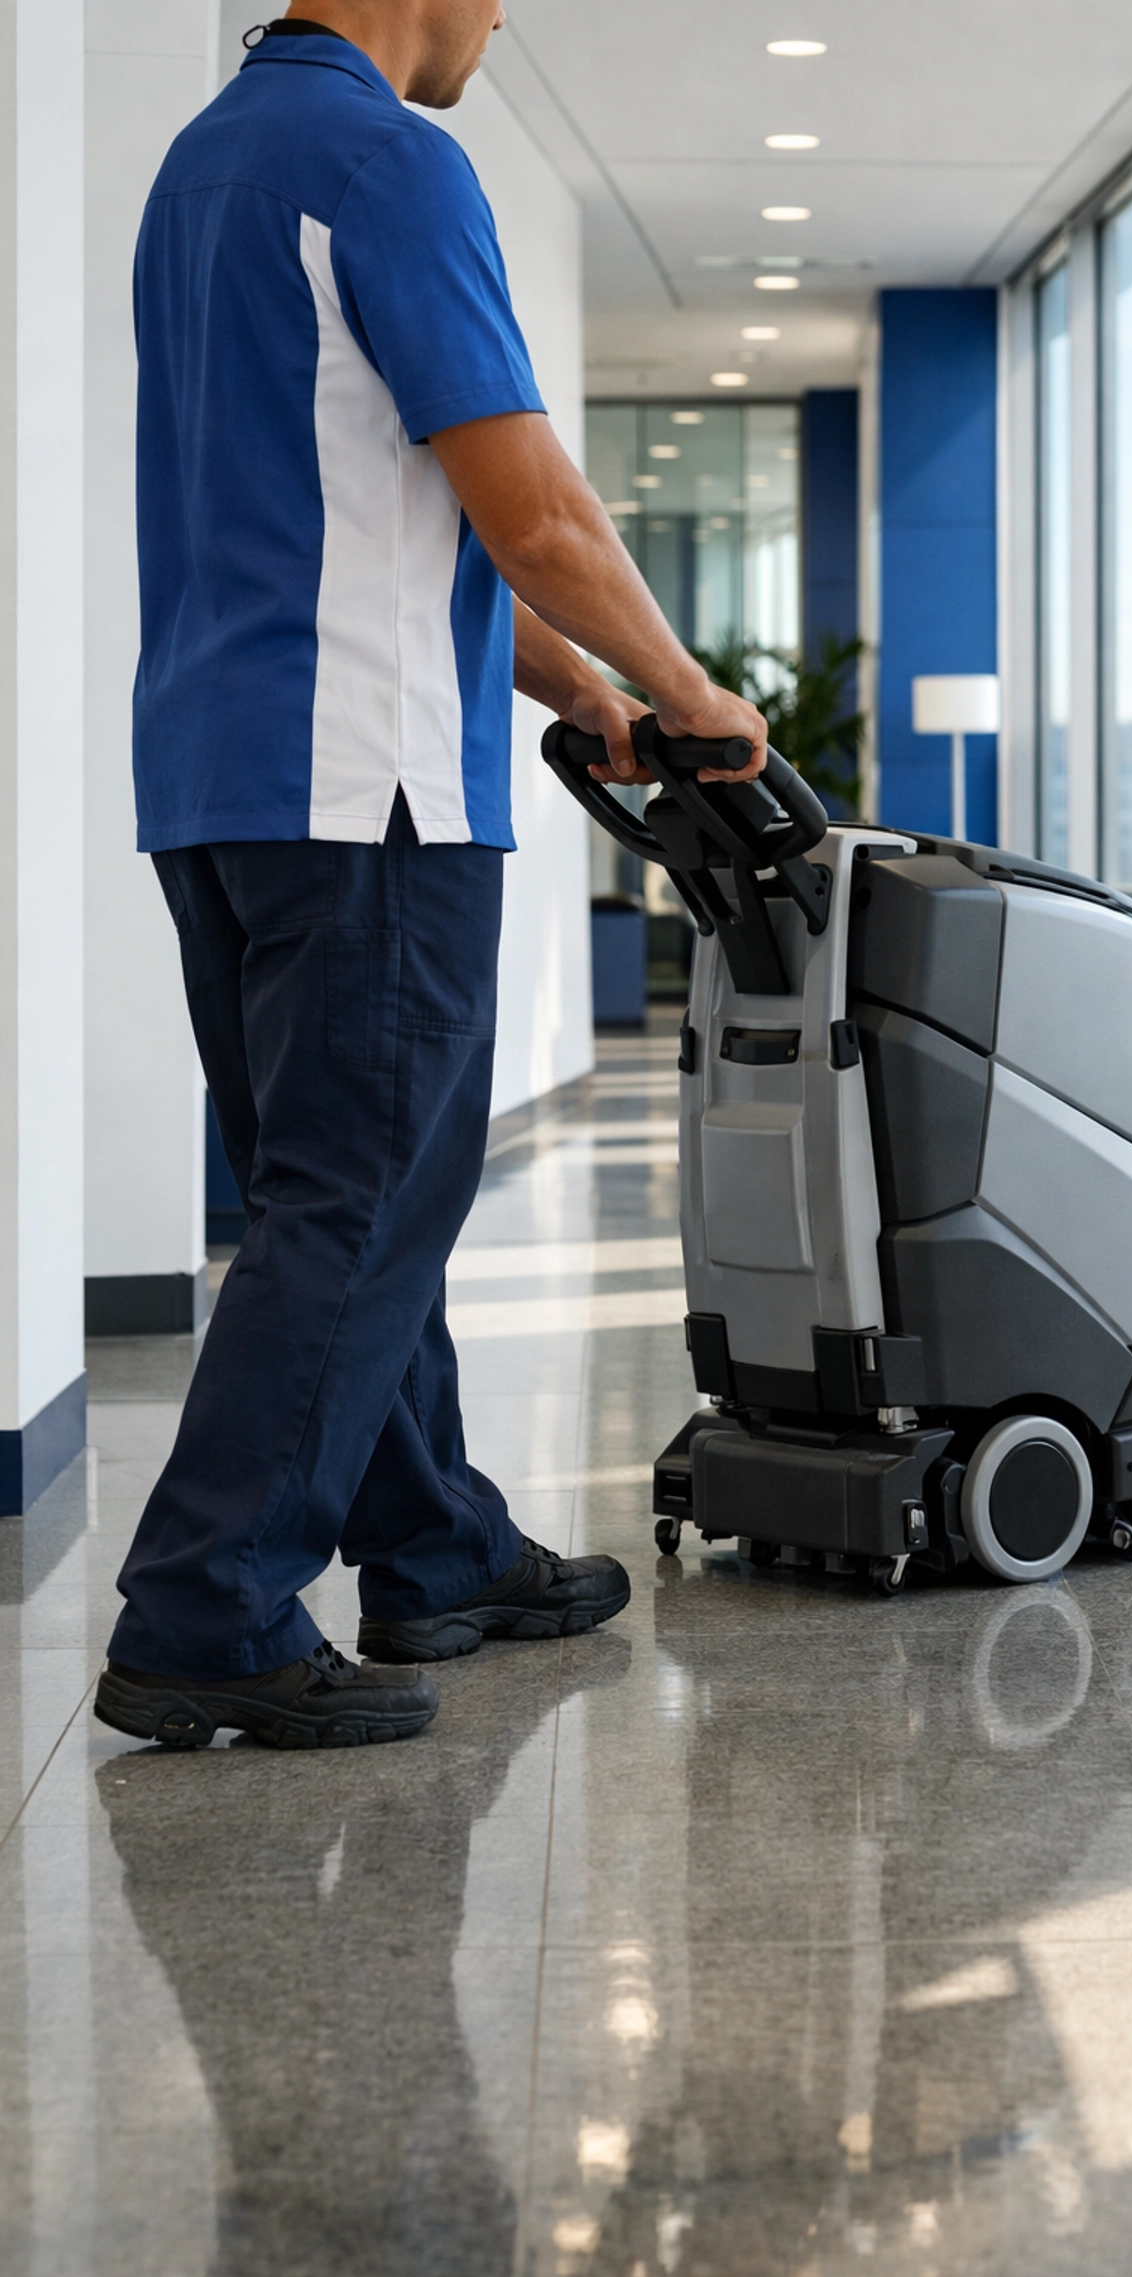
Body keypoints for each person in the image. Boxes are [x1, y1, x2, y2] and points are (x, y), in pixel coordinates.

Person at [93, 0, 765, 1752]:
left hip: (217, 775)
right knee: (360, 1197)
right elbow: (527, 508)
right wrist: (696, 699)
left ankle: (433, 1543)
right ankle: (206, 1609)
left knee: (348, 1187)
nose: (498, 19)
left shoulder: (204, 166)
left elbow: (390, 512)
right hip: (362, 781)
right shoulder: (392, 160)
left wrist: (590, 695)